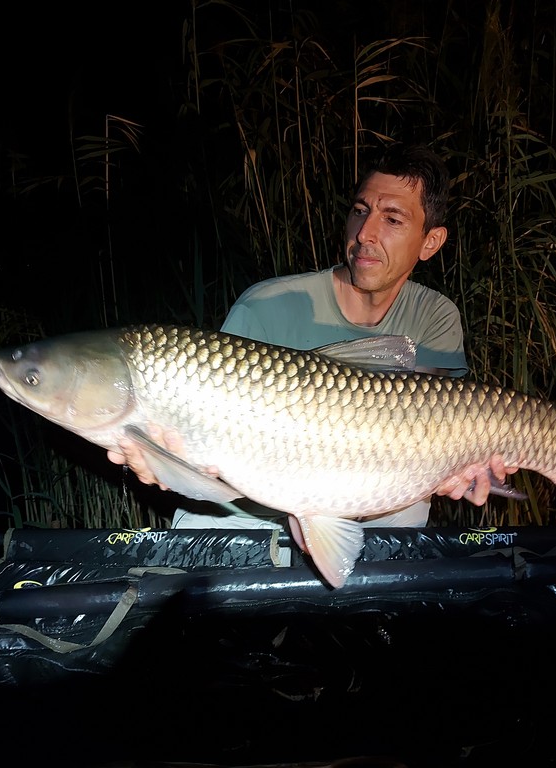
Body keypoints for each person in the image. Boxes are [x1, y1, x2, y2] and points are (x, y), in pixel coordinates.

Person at [107, 142, 516, 533]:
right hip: (252, 505)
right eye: (360, 211)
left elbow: (437, 427)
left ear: (430, 242)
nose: (365, 233)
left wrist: (459, 465)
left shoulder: (435, 316)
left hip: (372, 491)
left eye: (392, 219)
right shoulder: (265, 306)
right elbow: (207, 440)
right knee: (204, 520)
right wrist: (165, 462)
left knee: (410, 506)